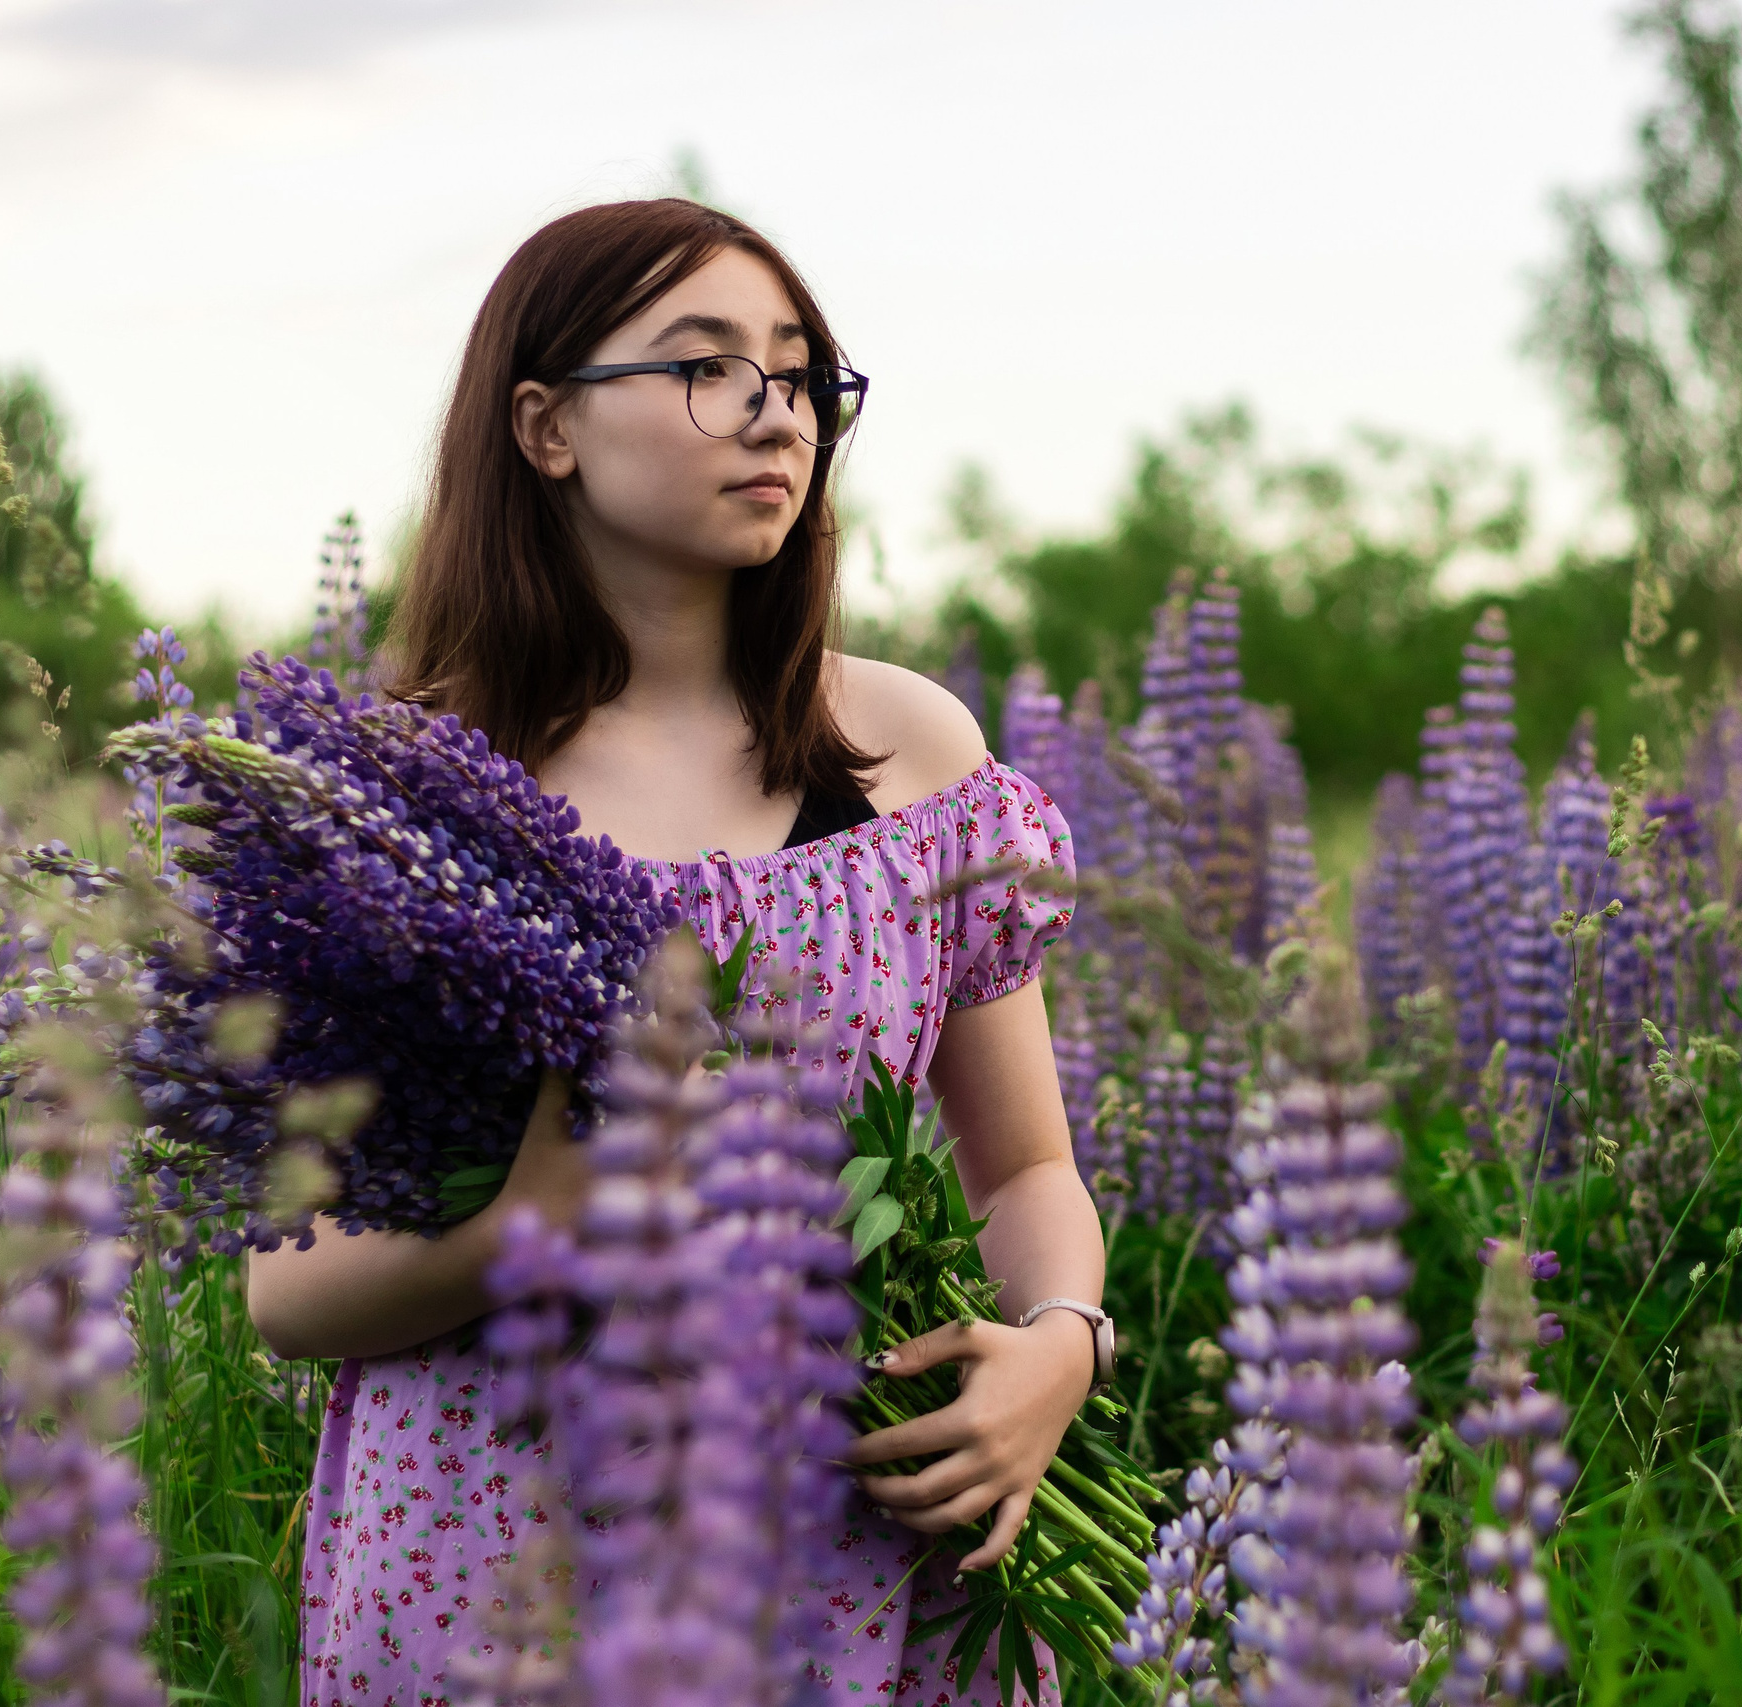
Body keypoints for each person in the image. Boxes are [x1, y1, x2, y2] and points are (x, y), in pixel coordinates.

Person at [246, 198, 1104, 1707]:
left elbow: (1025, 1170)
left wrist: (1058, 1347)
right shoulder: (406, 796)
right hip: (496, 1560)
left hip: (847, 1539)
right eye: (708, 369)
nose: (775, 416)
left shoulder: (905, 756)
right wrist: (532, 1221)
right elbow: (289, 1292)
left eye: (800, 375)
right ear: (546, 426)